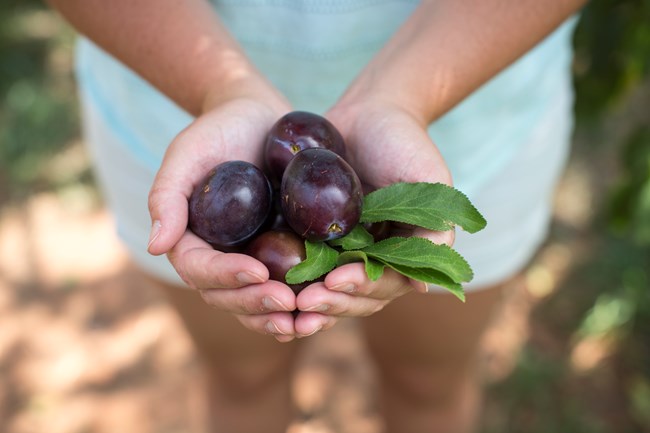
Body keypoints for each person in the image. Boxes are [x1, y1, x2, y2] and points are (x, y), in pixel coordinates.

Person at [45, 1, 587, 432]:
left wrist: (400, 97)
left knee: (429, 384)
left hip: (475, 104)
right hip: (172, 96)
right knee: (240, 379)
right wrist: (220, 88)